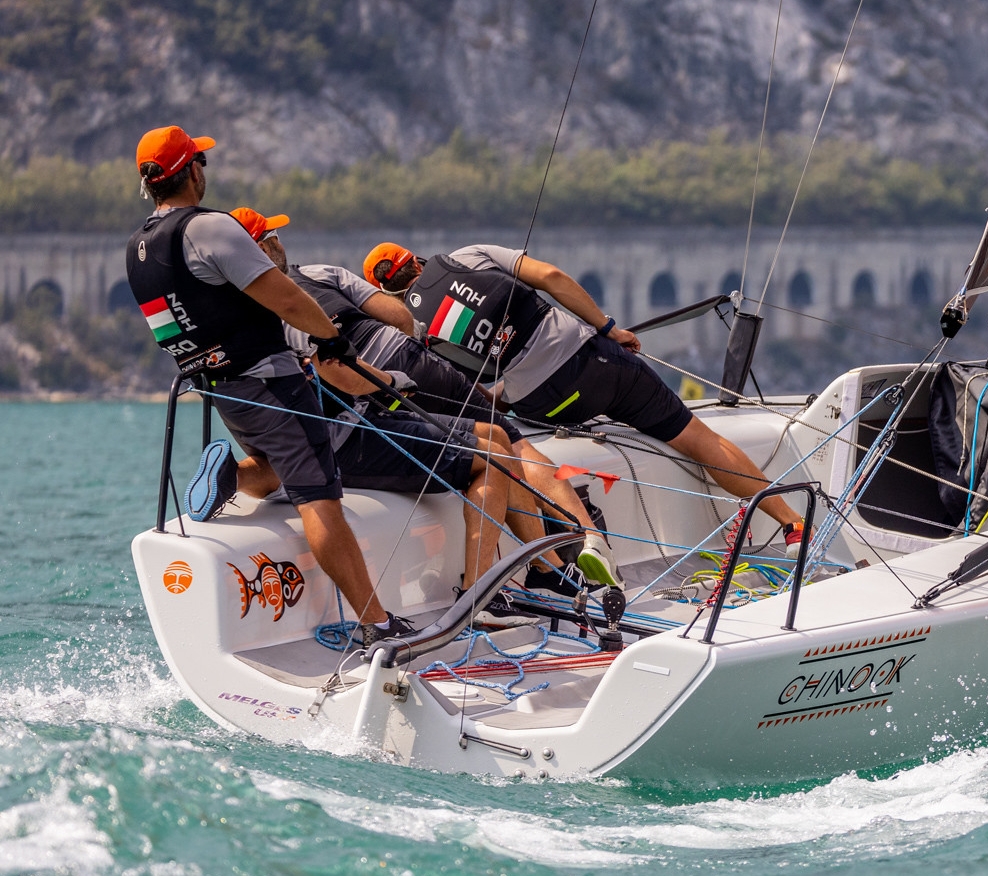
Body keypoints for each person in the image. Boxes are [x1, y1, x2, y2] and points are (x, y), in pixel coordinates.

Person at [123, 126, 409, 646]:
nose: (204, 171)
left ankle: (230, 474)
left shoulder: (136, 249)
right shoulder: (210, 228)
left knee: (279, 470)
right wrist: (332, 340)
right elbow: (289, 299)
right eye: (201, 162)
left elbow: (172, 329)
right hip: (270, 384)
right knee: (319, 495)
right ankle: (379, 623)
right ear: (190, 170)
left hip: (219, 388)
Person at [360, 241, 809, 567]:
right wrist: (608, 326)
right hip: (595, 365)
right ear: (416, 259)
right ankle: (791, 524)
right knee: (695, 436)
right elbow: (552, 278)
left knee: (522, 442)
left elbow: (471, 386)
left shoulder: (415, 327)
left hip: (543, 404)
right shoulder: (466, 256)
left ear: (388, 293)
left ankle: (584, 541)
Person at [228, 208, 612, 586]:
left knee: (486, 445)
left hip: (360, 402)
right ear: (270, 244)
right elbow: (397, 320)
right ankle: (582, 538)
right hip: (391, 367)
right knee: (511, 442)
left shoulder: (249, 319)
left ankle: (544, 568)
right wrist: (401, 366)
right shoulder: (315, 275)